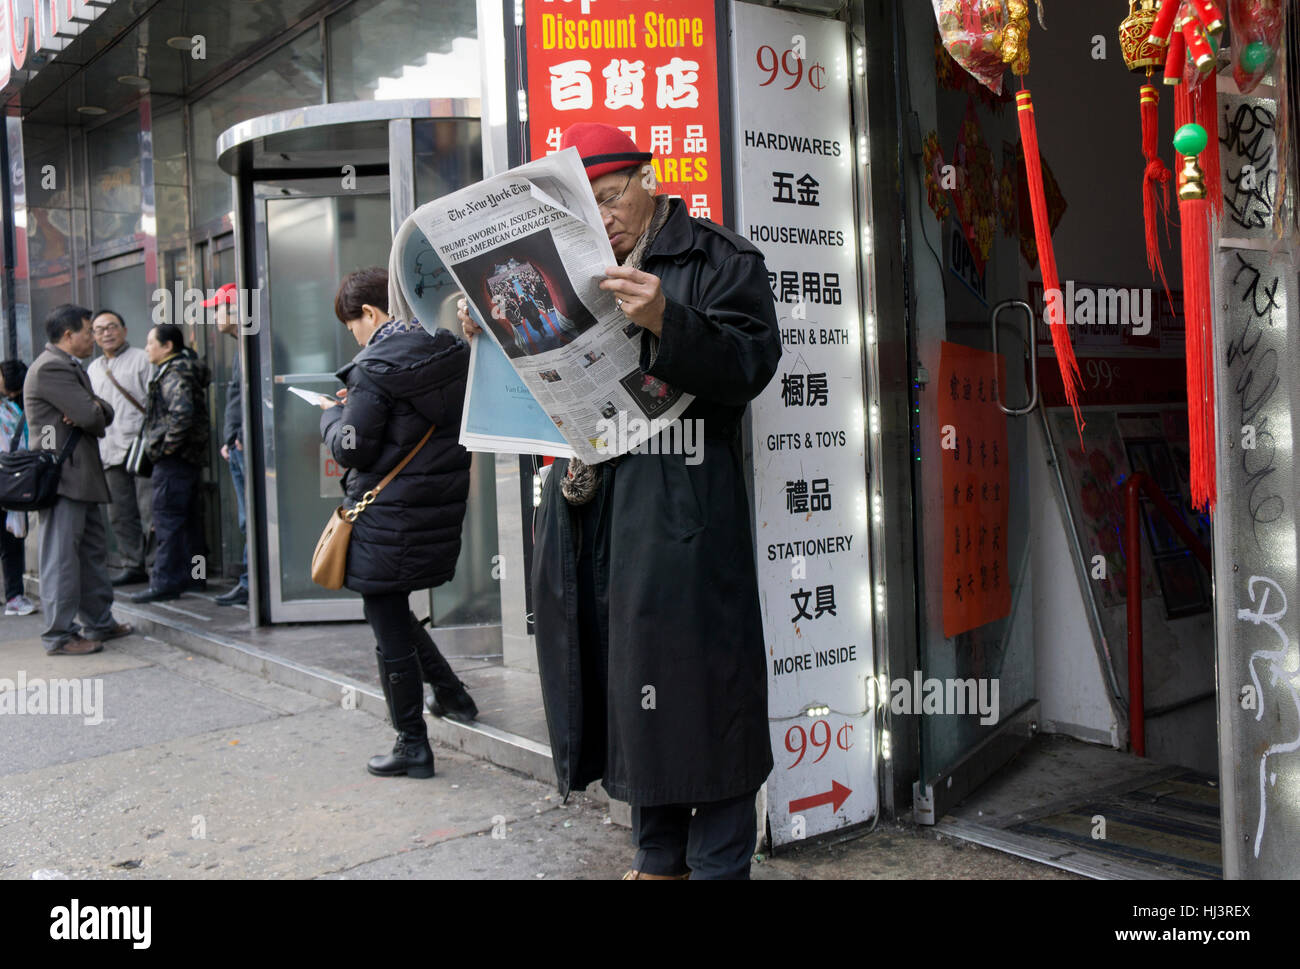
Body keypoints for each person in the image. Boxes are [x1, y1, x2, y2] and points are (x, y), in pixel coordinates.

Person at [459, 124, 781, 879]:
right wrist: (485, 332)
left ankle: (719, 864)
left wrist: (669, 318)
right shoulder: (566, 272)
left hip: (687, 517)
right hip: (597, 516)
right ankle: (654, 858)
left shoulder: (717, 259)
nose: (602, 219)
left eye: (610, 198)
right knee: (639, 699)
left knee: (707, 694)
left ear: (650, 178)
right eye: (586, 211)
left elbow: (749, 364)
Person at [322, 267, 478, 779]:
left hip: (386, 517)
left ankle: (412, 744)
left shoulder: (373, 367)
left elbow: (353, 448)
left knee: (386, 622)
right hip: (432, 509)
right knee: (393, 609)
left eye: (354, 328)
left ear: (369, 313)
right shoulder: (449, 352)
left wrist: (330, 418)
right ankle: (452, 694)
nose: (358, 340)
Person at [24, 304, 134, 655]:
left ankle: (100, 623)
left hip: (80, 475)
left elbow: (100, 411)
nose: (95, 337)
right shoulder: (52, 368)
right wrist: (91, 410)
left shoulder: (69, 366)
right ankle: (59, 636)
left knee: (90, 554)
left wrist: (92, 410)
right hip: (63, 477)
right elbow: (92, 415)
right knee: (61, 558)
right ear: (69, 335)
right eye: (89, 331)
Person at [129, 324, 210, 604]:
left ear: (167, 347)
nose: (147, 347)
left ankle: (165, 581)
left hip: (174, 461)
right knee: (190, 521)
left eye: (151, 342)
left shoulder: (174, 372)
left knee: (168, 519)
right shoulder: (184, 369)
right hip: (188, 459)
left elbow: (182, 413)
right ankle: (196, 576)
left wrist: (166, 449)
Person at [86, 309, 154, 586]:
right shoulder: (92, 368)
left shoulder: (142, 359)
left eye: (112, 327)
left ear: (124, 330)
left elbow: (155, 404)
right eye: (99, 330)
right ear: (93, 336)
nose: (106, 333)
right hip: (109, 452)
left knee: (150, 511)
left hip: (141, 450)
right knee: (120, 514)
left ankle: (156, 566)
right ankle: (132, 564)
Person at [208, 284, 249, 607]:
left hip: (247, 446)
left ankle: (252, 582)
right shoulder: (242, 346)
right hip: (237, 445)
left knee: (251, 516)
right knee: (245, 517)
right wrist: (230, 438)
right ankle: (250, 581)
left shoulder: (255, 344)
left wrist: (240, 436)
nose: (215, 316)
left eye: (218, 308)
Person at [1, 359, 35, 617]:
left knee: (12, 541)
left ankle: (15, 595)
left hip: (12, 479)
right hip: (11, 478)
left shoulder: (15, 406)